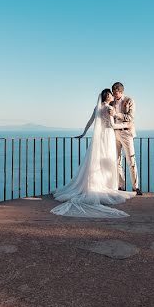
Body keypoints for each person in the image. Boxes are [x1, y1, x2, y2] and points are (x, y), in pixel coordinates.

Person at [51, 89, 136, 217]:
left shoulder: (97, 107)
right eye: (110, 94)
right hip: (107, 137)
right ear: (108, 97)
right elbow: (112, 126)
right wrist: (127, 126)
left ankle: (96, 184)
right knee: (108, 161)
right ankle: (107, 186)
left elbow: (90, 122)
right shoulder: (109, 108)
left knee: (96, 161)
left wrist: (84, 133)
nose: (112, 96)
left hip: (98, 139)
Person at [110, 81, 142, 194]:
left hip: (126, 133)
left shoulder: (129, 100)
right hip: (115, 134)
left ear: (120, 92)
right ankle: (121, 186)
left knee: (131, 160)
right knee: (117, 161)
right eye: (113, 93)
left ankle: (135, 187)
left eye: (115, 93)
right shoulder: (111, 103)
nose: (114, 95)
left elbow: (130, 117)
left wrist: (116, 115)